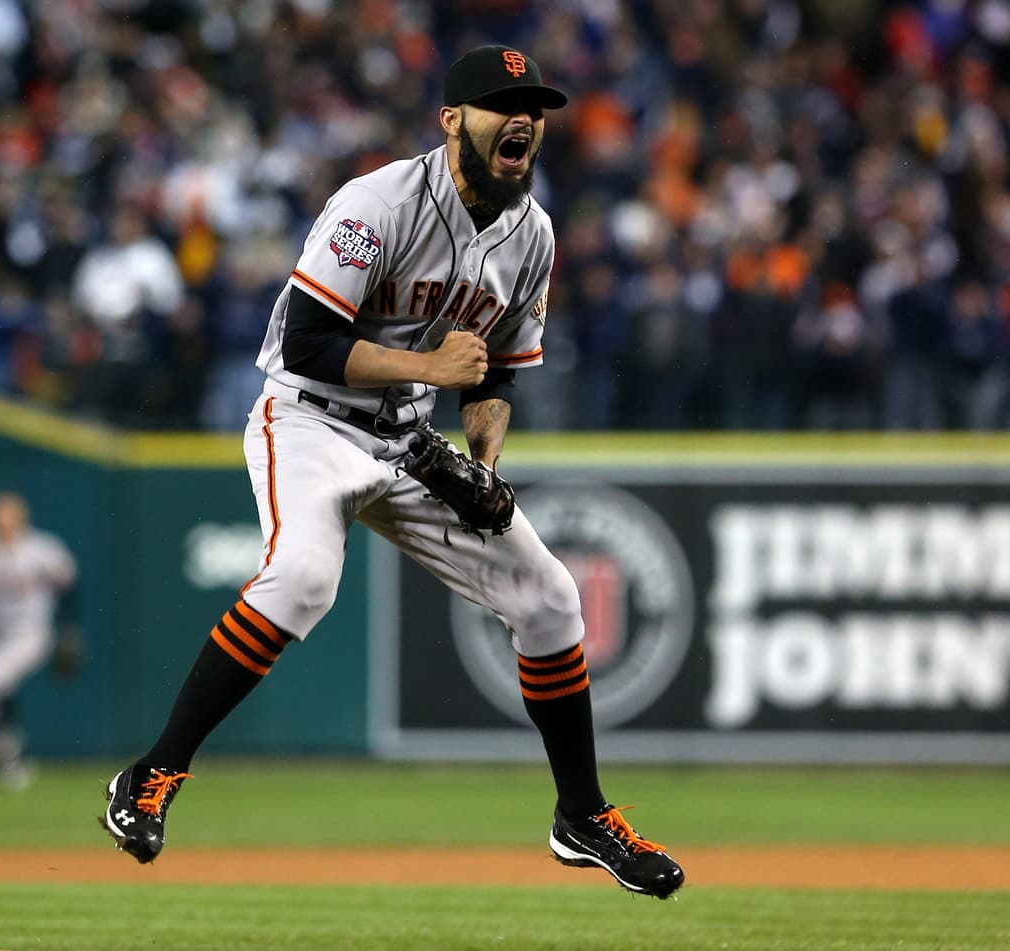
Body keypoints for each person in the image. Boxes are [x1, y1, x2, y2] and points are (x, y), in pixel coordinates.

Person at [101, 45, 684, 898]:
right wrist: (434, 372)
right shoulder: (377, 202)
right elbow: (305, 342)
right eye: (498, 102)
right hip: (308, 420)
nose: (521, 116)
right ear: (452, 119)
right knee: (302, 577)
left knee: (551, 598)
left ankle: (582, 816)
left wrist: (483, 462)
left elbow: (497, 373)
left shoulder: (536, 233)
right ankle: (151, 772)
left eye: (534, 105)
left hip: (411, 442)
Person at [0, 491, 77, 789]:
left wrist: (70, 631)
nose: (3, 523)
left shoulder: (41, 548)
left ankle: (9, 756)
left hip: (32, 634)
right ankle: (11, 757)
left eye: (8, 517)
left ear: (21, 518)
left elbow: (70, 588)